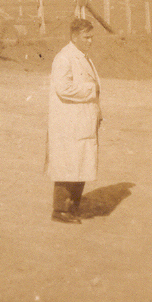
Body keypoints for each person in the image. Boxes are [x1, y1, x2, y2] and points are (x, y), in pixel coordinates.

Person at [46, 18, 102, 223]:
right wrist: (90, 90)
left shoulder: (83, 57)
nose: (90, 41)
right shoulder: (64, 58)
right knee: (67, 164)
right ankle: (60, 210)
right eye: (86, 37)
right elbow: (63, 89)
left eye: (91, 37)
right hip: (68, 122)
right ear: (74, 37)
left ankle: (73, 208)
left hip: (83, 119)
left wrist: (97, 111)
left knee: (81, 163)